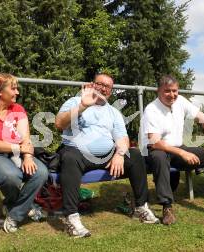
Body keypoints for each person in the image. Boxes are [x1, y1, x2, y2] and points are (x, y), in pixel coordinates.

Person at [55, 73, 158, 238]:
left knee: (135, 154)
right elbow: (59, 124)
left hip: (107, 156)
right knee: (69, 157)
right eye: (99, 84)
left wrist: (120, 153)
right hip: (78, 153)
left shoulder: (113, 112)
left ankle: (141, 207)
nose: (103, 88)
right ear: (92, 84)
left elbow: (122, 138)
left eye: (107, 86)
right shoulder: (75, 101)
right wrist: (83, 106)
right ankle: (71, 218)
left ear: (111, 90)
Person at [143, 75, 204, 226]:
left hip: (178, 147)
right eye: (167, 91)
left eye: (175, 91)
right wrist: (182, 153)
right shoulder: (151, 109)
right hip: (158, 149)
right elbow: (154, 142)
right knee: (159, 158)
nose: (172, 95)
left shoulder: (180, 101)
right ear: (158, 91)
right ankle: (167, 207)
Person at [0, 73, 48, 233]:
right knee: (12, 176)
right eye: (13, 89)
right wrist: (19, 149)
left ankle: (14, 214)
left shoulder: (18, 109)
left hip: (14, 153)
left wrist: (27, 157)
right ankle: (24, 207)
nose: (17, 92)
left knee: (41, 172)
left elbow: (25, 138)